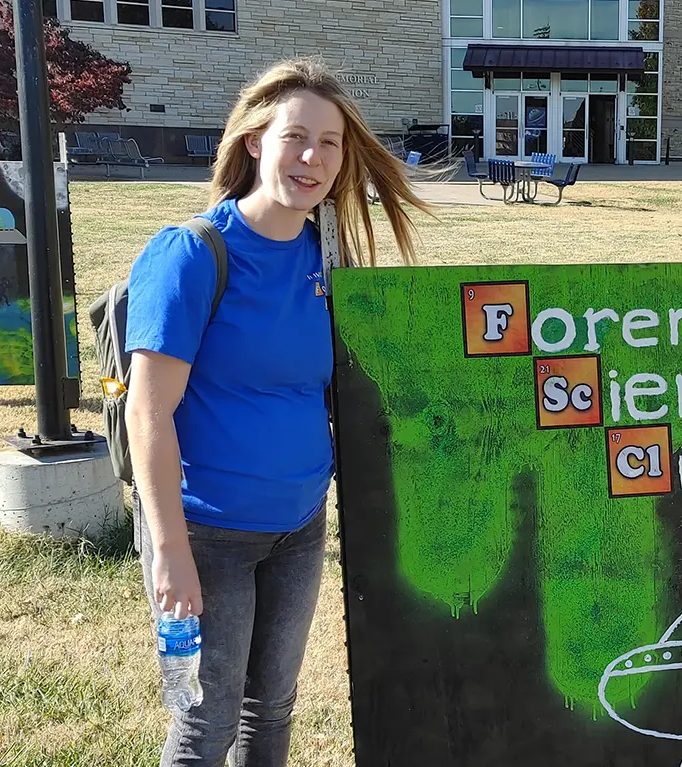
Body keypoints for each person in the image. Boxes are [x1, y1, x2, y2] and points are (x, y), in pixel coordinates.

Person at [123, 58, 428, 766]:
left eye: (330, 142)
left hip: (297, 526)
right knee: (207, 721)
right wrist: (168, 550)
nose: (313, 157)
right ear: (256, 140)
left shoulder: (328, 257)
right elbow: (149, 412)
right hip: (205, 532)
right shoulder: (193, 255)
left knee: (273, 709)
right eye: (296, 136)